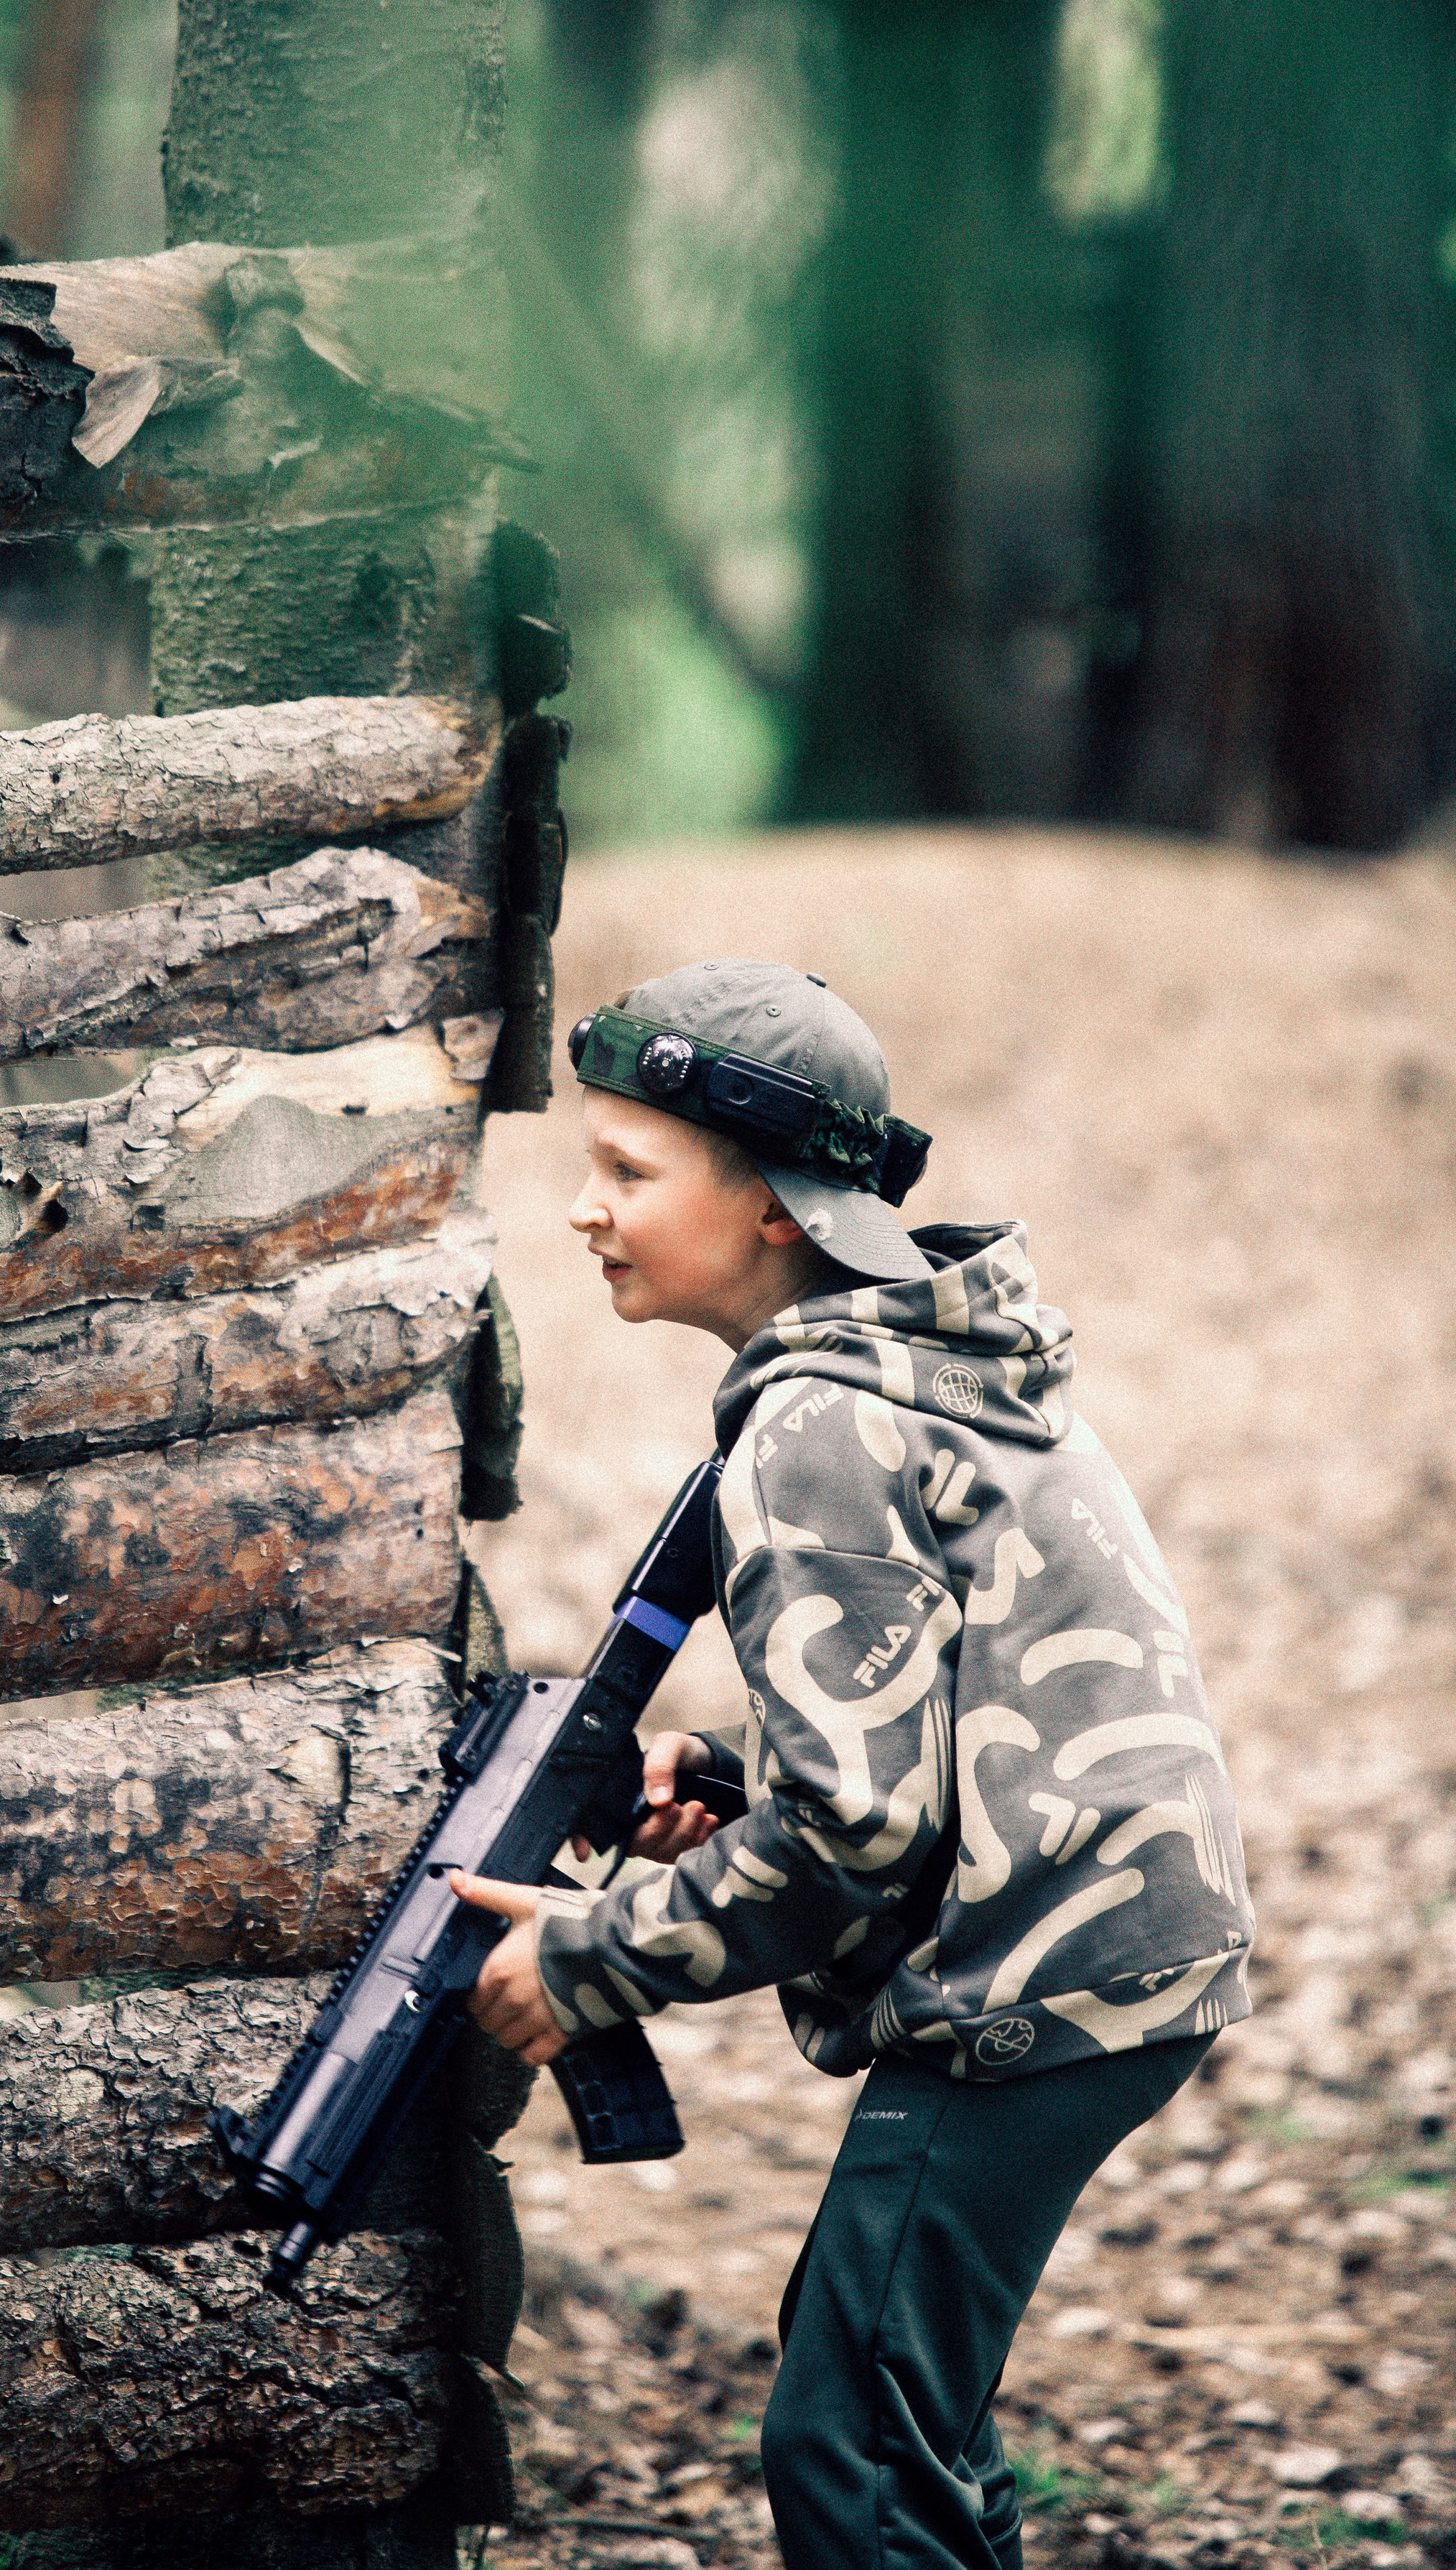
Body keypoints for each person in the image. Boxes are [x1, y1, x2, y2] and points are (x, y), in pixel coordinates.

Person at [450, 958, 1254, 2570]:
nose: (582, 1211)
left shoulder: (817, 1426)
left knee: (849, 2443)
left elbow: (857, 1832)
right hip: (1114, 1938)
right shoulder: (923, 1361)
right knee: (905, 2423)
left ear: (773, 1206)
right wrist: (738, 1777)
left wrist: (592, 1961)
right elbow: (927, 1709)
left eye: (627, 1171)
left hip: (1038, 1982)